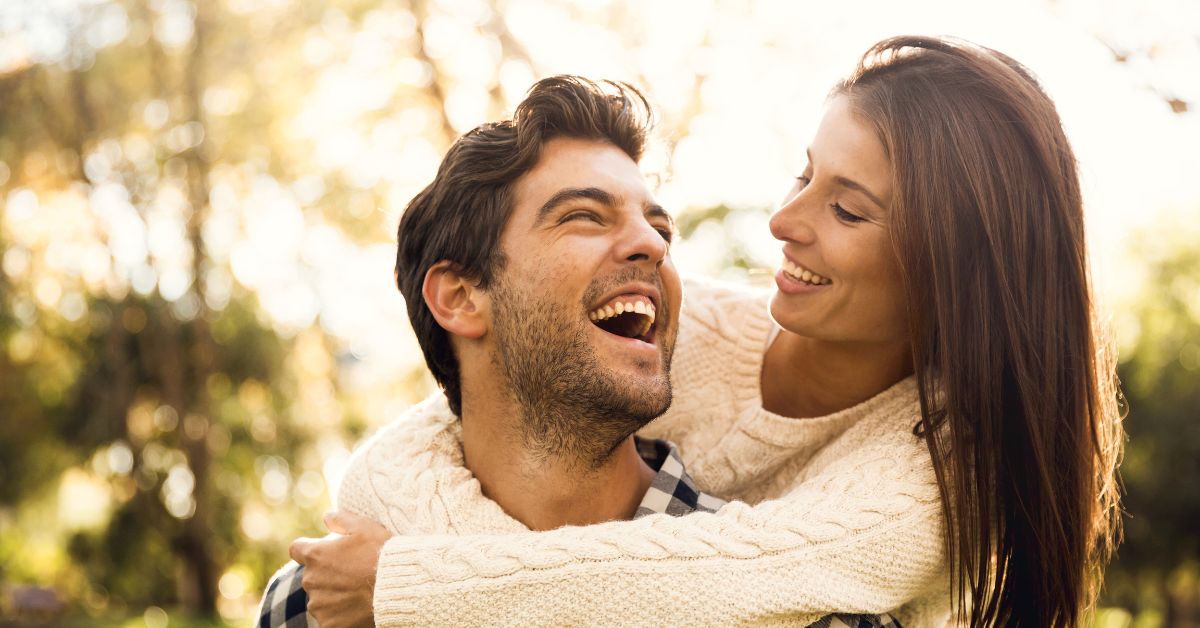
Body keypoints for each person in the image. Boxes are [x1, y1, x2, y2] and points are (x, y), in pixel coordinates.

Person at [293, 36, 1125, 626]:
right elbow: (438, 432)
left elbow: (722, 580)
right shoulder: (676, 328)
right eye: (806, 174)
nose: (781, 221)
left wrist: (409, 590)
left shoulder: (934, 475)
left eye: (846, 208)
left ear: (950, 277)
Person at [261, 76, 896, 628]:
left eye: (660, 227)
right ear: (459, 297)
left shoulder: (817, 614)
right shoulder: (315, 607)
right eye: (586, 216)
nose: (652, 244)